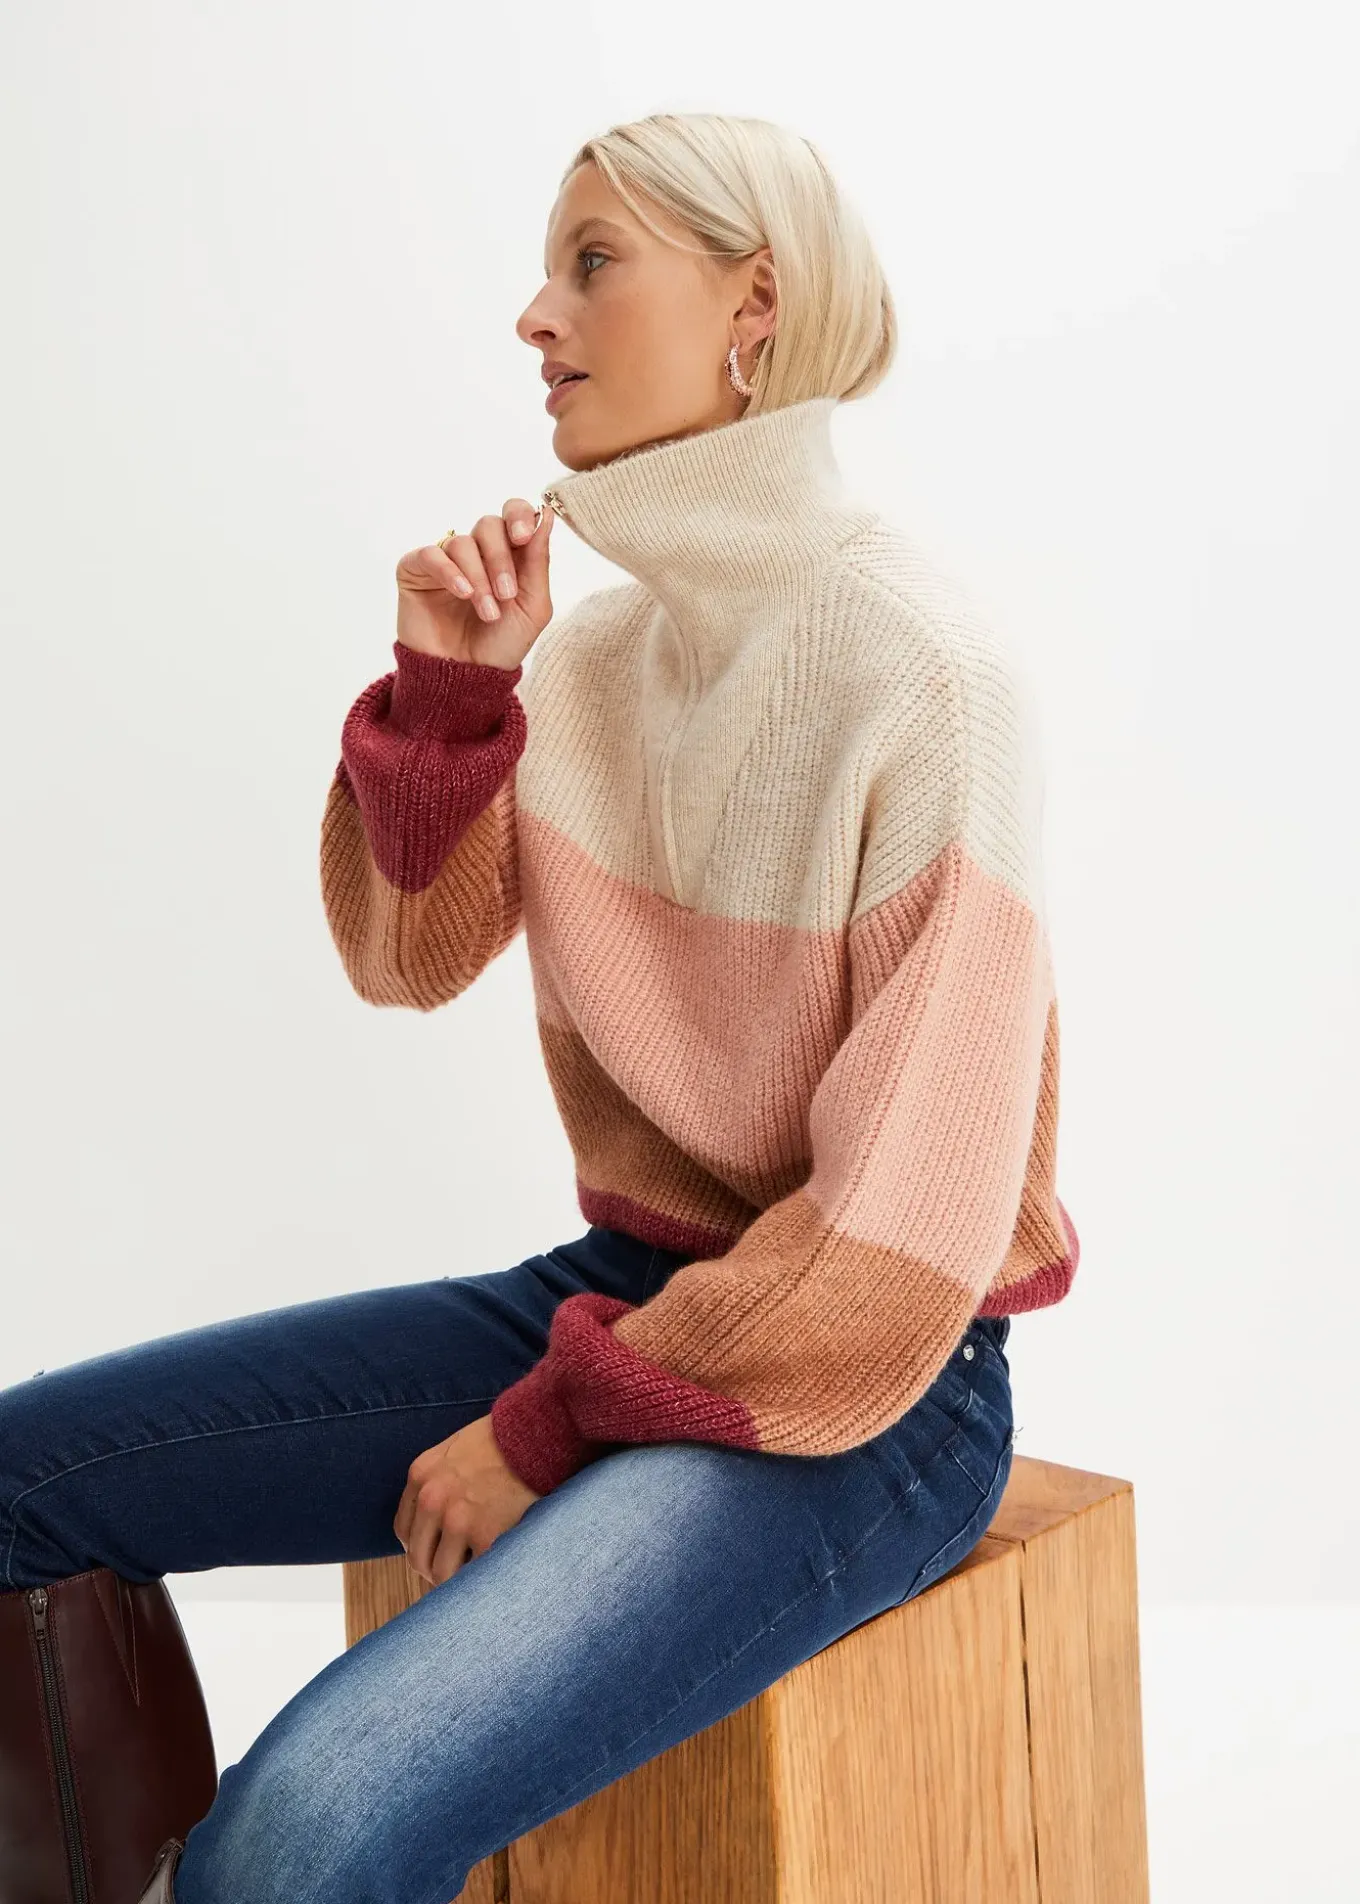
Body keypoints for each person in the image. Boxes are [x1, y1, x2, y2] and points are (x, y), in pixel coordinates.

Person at [0, 112, 1079, 1904]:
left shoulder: (929, 676)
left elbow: (892, 1251)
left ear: (755, 305)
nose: (533, 316)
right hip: (630, 1296)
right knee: (20, 1476)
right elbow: (404, 955)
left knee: (301, 1835)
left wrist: (546, 1426)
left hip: (871, 1394)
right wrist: (449, 703)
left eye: (593, 264)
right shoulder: (586, 663)